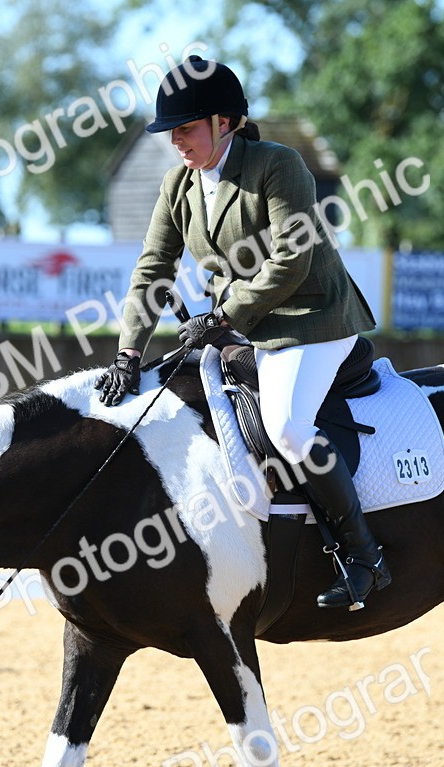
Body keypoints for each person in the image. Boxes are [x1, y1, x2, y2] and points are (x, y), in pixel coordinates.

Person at [94, 55, 390, 610]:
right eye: (172, 131)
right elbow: (154, 267)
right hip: (243, 328)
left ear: (223, 123)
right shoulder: (178, 185)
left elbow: (290, 262)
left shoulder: (278, 164)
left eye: (186, 128)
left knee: (287, 426)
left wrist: (226, 315)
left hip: (313, 321)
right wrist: (129, 351)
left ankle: (364, 555)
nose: (177, 141)